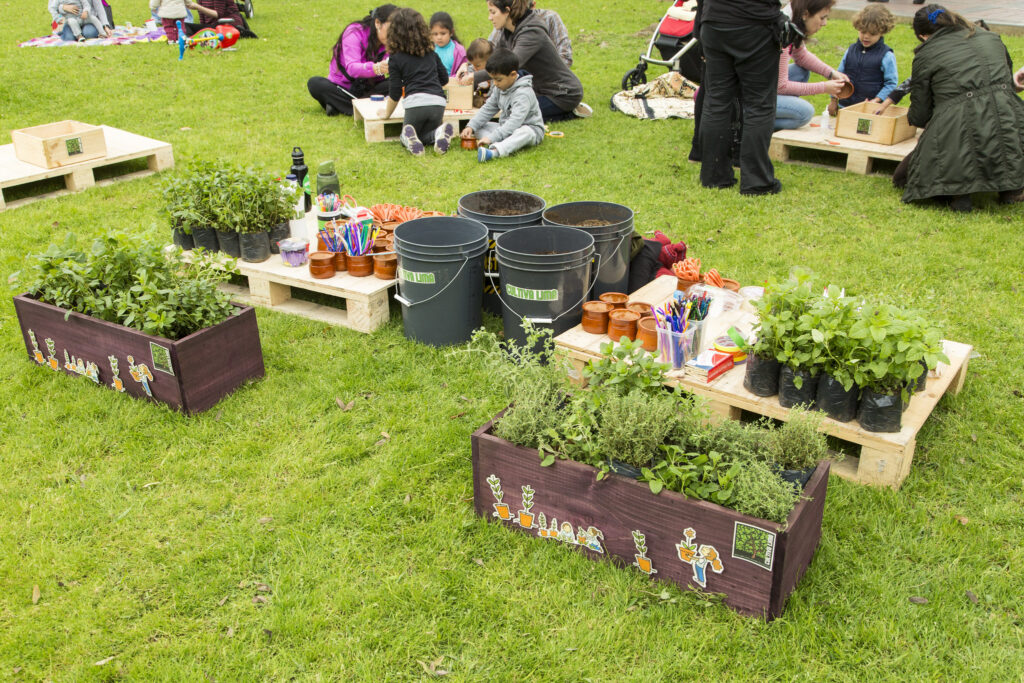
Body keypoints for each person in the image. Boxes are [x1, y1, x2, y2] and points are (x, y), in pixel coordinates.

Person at [892, 5, 1024, 210]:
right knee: (993, 126)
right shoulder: (990, 36)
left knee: (901, 178)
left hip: (958, 122)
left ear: (923, 36)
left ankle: (959, 194)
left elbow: (920, 112)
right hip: (1011, 117)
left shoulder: (927, 54)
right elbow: (1006, 78)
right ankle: (1010, 189)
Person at [696, 0, 785, 195]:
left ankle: (714, 176)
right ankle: (757, 182)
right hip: (755, 22)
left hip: (714, 22)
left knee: (716, 101)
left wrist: (701, 24)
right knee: (759, 105)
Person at [470, 0, 589, 122]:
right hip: (539, 90)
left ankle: (569, 113)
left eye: (493, 12)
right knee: (508, 108)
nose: (490, 17)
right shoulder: (507, 32)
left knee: (513, 114)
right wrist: (468, 69)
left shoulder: (531, 32)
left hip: (562, 94)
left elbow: (508, 65)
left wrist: (473, 77)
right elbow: (493, 60)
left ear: (507, 11)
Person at [378, 8, 456, 156]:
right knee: (425, 136)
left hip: (415, 103)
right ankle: (439, 132)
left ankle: (407, 137)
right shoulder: (431, 54)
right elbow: (444, 79)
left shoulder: (395, 58)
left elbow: (394, 92)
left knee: (405, 135)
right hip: (438, 102)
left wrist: (386, 114)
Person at [307, 5, 397, 117]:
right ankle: (359, 108)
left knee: (401, 82)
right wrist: (376, 68)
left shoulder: (394, 41)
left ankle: (338, 106)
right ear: (377, 23)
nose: (395, 35)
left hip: (372, 87)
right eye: (391, 30)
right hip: (345, 88)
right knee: (315, 83)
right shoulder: (354, 33)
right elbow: (352, 69)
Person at [775, 0, 849, 130]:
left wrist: (831, 73)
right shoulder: (782, 31)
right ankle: (749, 123)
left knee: (801, 72)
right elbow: (781, 86)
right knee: (804, 112)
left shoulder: (791, 23)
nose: (824, 23)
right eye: (822, 17)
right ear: (805, 14)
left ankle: (774, 111)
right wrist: (824, 87)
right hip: (746, 96)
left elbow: (801, 56)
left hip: (761, 86)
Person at [462, 48, 545, 162]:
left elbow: (515, 122)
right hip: (505, 127)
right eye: (493, 79)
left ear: (513, 74)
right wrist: (471, 126)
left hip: (528, 130)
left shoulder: (523, 94)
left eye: (498, 79)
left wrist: (491, 137)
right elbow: (488, 108)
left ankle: (494, 152)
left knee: (525, 132)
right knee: (479, 127)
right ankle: (504, 142)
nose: (495, 83)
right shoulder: (499, 87)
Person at [835, 3, 898, 108]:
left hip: (868, 108)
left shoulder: (887, 55)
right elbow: (837, 76)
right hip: (844, 106)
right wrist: (833, 100)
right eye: (863, 32)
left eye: (872, 33)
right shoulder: (850, 50)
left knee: (863, 125)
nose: (866, 37)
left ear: (882, 32)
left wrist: (877, 100)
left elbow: (891, 84)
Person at [488, 1, 571, 67]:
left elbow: (565, 57)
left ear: (533, 5)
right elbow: (488, 52)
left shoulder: (548, 19)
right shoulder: (505, 23)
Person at [183, 0, 256, 38]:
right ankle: (192, 39)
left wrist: (198, 7)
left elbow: (218, 14)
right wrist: (202, 29)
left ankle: (237, 31)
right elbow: (202, 17)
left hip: (227, 22)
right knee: (185, 25)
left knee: (187, 26)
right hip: (213, 25)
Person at [429, 11, 466, 77]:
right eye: (435, 34)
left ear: (451, 32)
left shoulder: (459, 51)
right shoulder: (428, 49)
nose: (439, 37)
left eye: (443, 33)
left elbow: (464, 72)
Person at [461, 38, 494, 107]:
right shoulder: (473, 68)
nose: (475, 68)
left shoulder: (493, 72)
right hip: (479, 95)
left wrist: (489, 96)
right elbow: (468, 75)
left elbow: (495, 88)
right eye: (473, 64)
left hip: (491, 98)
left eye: (478, 65)